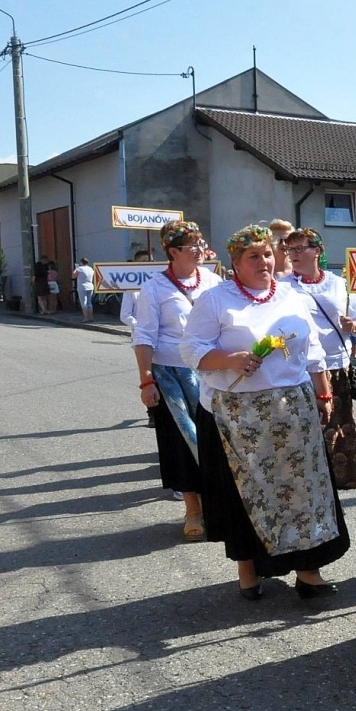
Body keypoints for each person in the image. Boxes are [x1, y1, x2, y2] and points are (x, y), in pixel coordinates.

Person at [181, 225, 349, 600]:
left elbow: (313, 348)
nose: (264, 261)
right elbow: (191, 350)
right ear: (235, 262)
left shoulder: (291, 294)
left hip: (293, 409)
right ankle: (249, 570)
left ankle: (308, 571)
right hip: (239, 416)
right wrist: (230, 359)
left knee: (304, 491)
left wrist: (323, 392)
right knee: (249, 492)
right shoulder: (216, 300)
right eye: (253, 256)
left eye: (268, 253)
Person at [133, 220, 221, 539]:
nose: (199, 250)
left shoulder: (212, 281)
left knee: (215, 438)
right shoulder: (155, 287)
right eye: (191, 246)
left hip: (211, 372)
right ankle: (192, 508)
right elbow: (143, 336)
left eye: (200, 243)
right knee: (183, 442)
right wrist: (146, 381)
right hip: (171, 375)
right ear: (172, 252)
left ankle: (216, 503)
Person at [280, 227, 356, 490]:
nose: (293, 254)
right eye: (289, 249)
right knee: (304, 428)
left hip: (336, 366)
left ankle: (335, 484)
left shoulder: (339, 284)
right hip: (300, 369)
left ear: (317, 251)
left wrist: (354, 325)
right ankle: (308, 485)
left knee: (338, 427)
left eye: (299, 248)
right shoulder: (283, 286)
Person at [75, 257, 96, 322]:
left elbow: (73, 276)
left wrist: (75, 269)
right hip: (90, 286)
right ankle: (91, 317)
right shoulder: (90, 268)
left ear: (81, 262)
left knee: (83, 302)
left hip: (82, 287)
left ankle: (86, 318)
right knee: (89, 303)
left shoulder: (79, 269)